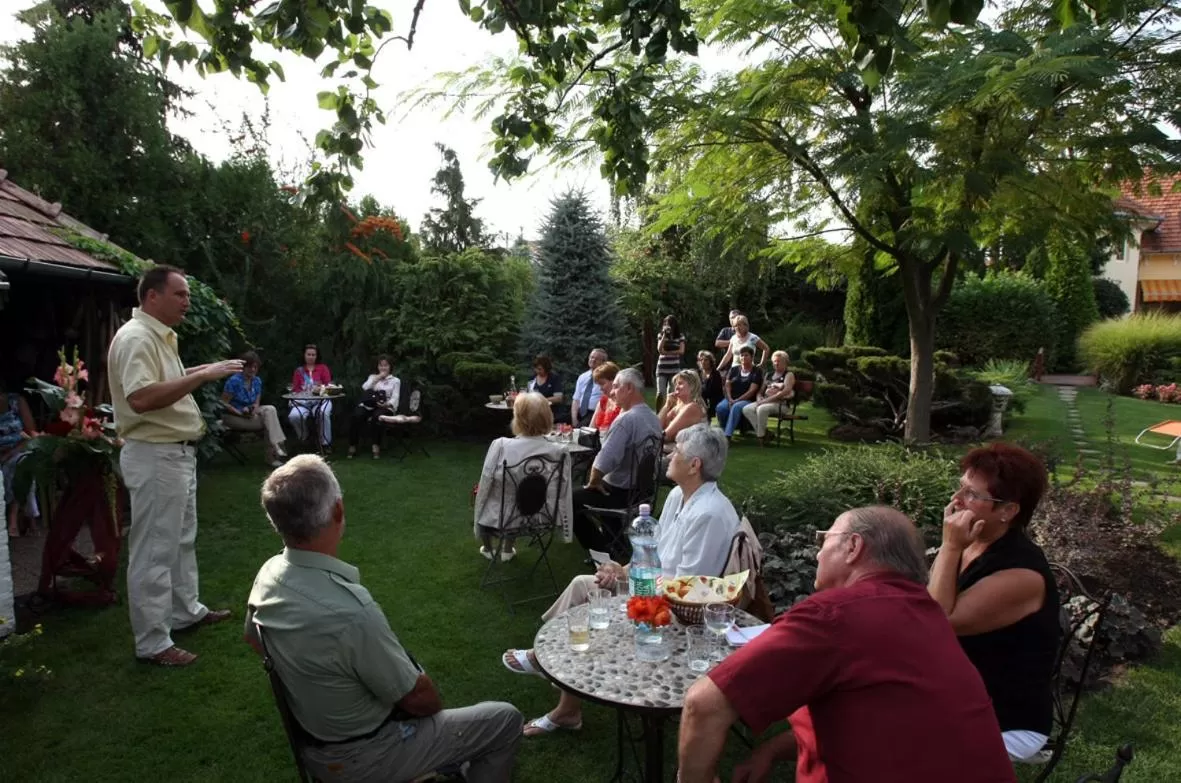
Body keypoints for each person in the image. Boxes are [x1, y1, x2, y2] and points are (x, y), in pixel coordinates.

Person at [677, 506, 1017, 783]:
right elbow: (876, 719)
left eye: (825, 538)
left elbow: (703, 704)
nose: (818, 549)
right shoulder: (927, 613)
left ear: (853, 547)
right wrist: (769, 750)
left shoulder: (836, 614)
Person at [245, 455, 523, 782]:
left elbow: (254, 638)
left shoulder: (270, 573)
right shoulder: (349, 611)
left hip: (315, 742)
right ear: (338, 511)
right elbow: (422, 702)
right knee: (504, 720)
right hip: (365, 756)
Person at [503, 425, 740, 737]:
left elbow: (689, 587)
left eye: (676, 452)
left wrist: (633, 584)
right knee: (585, 586)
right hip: (655, 590)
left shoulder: (709, 513)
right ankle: (558, 684)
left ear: (694, 465)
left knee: (591, 602)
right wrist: (621, 570)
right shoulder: (678, 499)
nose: (668, 455)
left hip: (678, 611)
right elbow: (652, 556)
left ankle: (554, 679)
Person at [107, 265, 242, 666]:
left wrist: (201, 370)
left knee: (181, 540)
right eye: (180, 294)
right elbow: (143, 398)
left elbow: (166, 381)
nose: (187, 301)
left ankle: (185, 613)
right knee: (154, 549)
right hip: (156, 455)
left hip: (174, 455)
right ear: (152, 296)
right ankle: (152, 642)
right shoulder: (136, 338)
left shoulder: (157, 336)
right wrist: (202, 379)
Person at [928, 443, 1061, 763]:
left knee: (884, 739)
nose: (957, 500)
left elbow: (935, 622)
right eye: (960, 487)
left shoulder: (1021, 575)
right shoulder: (976, 542)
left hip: (1005, 720)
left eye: (973, 494)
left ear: (1008, 511)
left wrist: (948, 547)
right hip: (958, 694)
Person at [473, 392, 572, 562]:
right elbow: (564, 490)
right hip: (542, 517)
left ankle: (489, 548)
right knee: (521, 493)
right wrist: (565, 525)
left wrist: (477, 512)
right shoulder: (559, 451)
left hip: (504, 518)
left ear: (518, 418)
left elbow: (486, 482)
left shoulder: (501, 445)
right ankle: (507, 549)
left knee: (482, 491)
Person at [572, 368, 662, 553]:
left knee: (571, 499)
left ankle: (601, 551)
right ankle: (617, 546)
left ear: (629, 388)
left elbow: (604, 462)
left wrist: (594, 481)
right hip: (643, 491)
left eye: (616, 386)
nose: (612, 392)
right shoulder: (653, 417)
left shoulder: (626, 420)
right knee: (603, 486)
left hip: (623, 493)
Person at [221, 351, 288, 467]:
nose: (252, 370)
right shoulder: (234, 381)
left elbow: (256, 403)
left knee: (270, 410)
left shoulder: (257, 381)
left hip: (250, 415)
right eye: (249, 367)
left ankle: (274, 452)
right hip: (232, 416)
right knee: (269, 421)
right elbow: (223, 403)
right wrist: (239, 412)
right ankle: (275, 452)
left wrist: (251, 409)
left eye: (255, 367)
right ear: (243, 367)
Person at [1, 382, 39, 538]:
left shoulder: (17, 402)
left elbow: (31, 435)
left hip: (20, 448)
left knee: (21, 464)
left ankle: (13, 513)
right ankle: (29, 518)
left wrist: (10, 453)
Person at [348, 355, 400, 460]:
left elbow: (395, 397)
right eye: (381, 365)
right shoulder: (373, 377)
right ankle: (353, 444)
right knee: (356, 415)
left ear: (390, 367)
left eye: (386, 365)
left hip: (385, 406)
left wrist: (386, 404)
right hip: (370, 405)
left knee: (377, 417)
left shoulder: (395, 380)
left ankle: (376, 445)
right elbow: (365, 388)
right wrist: (377, 378)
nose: (383, 368)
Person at [741, 350, 796, 444]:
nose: (776, 363)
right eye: (774, 361)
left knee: (762, 409)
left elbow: (785, 391)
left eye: (779, 361)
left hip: (781, 404)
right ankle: (766, 433)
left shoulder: (789, 375)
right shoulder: (768, 375)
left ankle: (761, 438)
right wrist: (759, 398)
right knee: (747, 409)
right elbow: (760, 391)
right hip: (766, 401)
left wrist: (765, 401)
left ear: (785, 362)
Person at [288, 344, 334, 449]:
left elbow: (329, 386)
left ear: (317, 356)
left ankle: (325, 444)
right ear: (304, 355)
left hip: (321, 400)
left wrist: (321, 388)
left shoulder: (323, 368)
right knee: (294, 416)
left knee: (323, 413)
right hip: (303, 401)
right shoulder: (299, 371)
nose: (311, 357)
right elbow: (295, 389)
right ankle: (305, 437)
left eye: (313, 355)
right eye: (309, 354)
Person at [715, 346, 763, 439]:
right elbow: (727, 384)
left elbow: (752, 391)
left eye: (746, 355)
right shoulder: (734, 369)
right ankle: (723, 429)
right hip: (731, 398)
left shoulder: (757, 371)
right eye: (741, 355)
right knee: (720, 407)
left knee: (736, 407)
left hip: (747, 400)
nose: (743, 357)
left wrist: (737, 400)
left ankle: (727, 435)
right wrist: (730, 399)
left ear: (752, 357)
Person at [658, 369, 707, 444]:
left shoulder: (692, 407)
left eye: (680, 383)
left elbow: (665, 435)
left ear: (692, 386)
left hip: (691, 452)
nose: (676, 387)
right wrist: (666, 406)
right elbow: (655, 426)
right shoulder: (678, 407)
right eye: (676, 384)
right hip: (677, 450)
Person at [570, 347, 608, 427]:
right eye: (591, 357)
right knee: (557, 419)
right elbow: (576, 400)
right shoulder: (582, 377)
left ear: (603, 362)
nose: (593, 360)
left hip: (594, 413)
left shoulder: (606, 378)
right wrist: (574, 418)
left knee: (580, 428)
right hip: (579, 412)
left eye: (597, 359)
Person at [655, 314, 686, 407]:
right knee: (661, 392)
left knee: (672, 392)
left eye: (668, 324)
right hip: (662, 368)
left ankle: (670, 412)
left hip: (674, 368)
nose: (666, 326)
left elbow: (681, 351)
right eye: (665, 324)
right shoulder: (661, 335)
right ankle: (659, 413)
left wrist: (666, 352)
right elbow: (660, 350)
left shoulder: (680, 336)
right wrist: (664, 336)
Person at [527, 354, 567, 423]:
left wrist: (541, 400)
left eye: (540, 369)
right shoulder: (532, 378)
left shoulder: (554, 378)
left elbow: (558, 398)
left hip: (552, 412)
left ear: (546, 368)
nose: (537, 371)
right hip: (535, 412)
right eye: (536, 369)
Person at [590, 361, 622, 431]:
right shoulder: (603, 401)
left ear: (614, 381)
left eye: (602, 383)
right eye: (599, 384)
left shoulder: (624, 403)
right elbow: (591, 428)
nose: (600, 388)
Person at [696, 351, 725, 424]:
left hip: (715, 399)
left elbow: (714, 390)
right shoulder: (698, 373)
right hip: (702, 399)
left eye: (706, 360)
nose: (703, 362)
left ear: (710, 362)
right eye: (701, 360)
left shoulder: (716, 374)